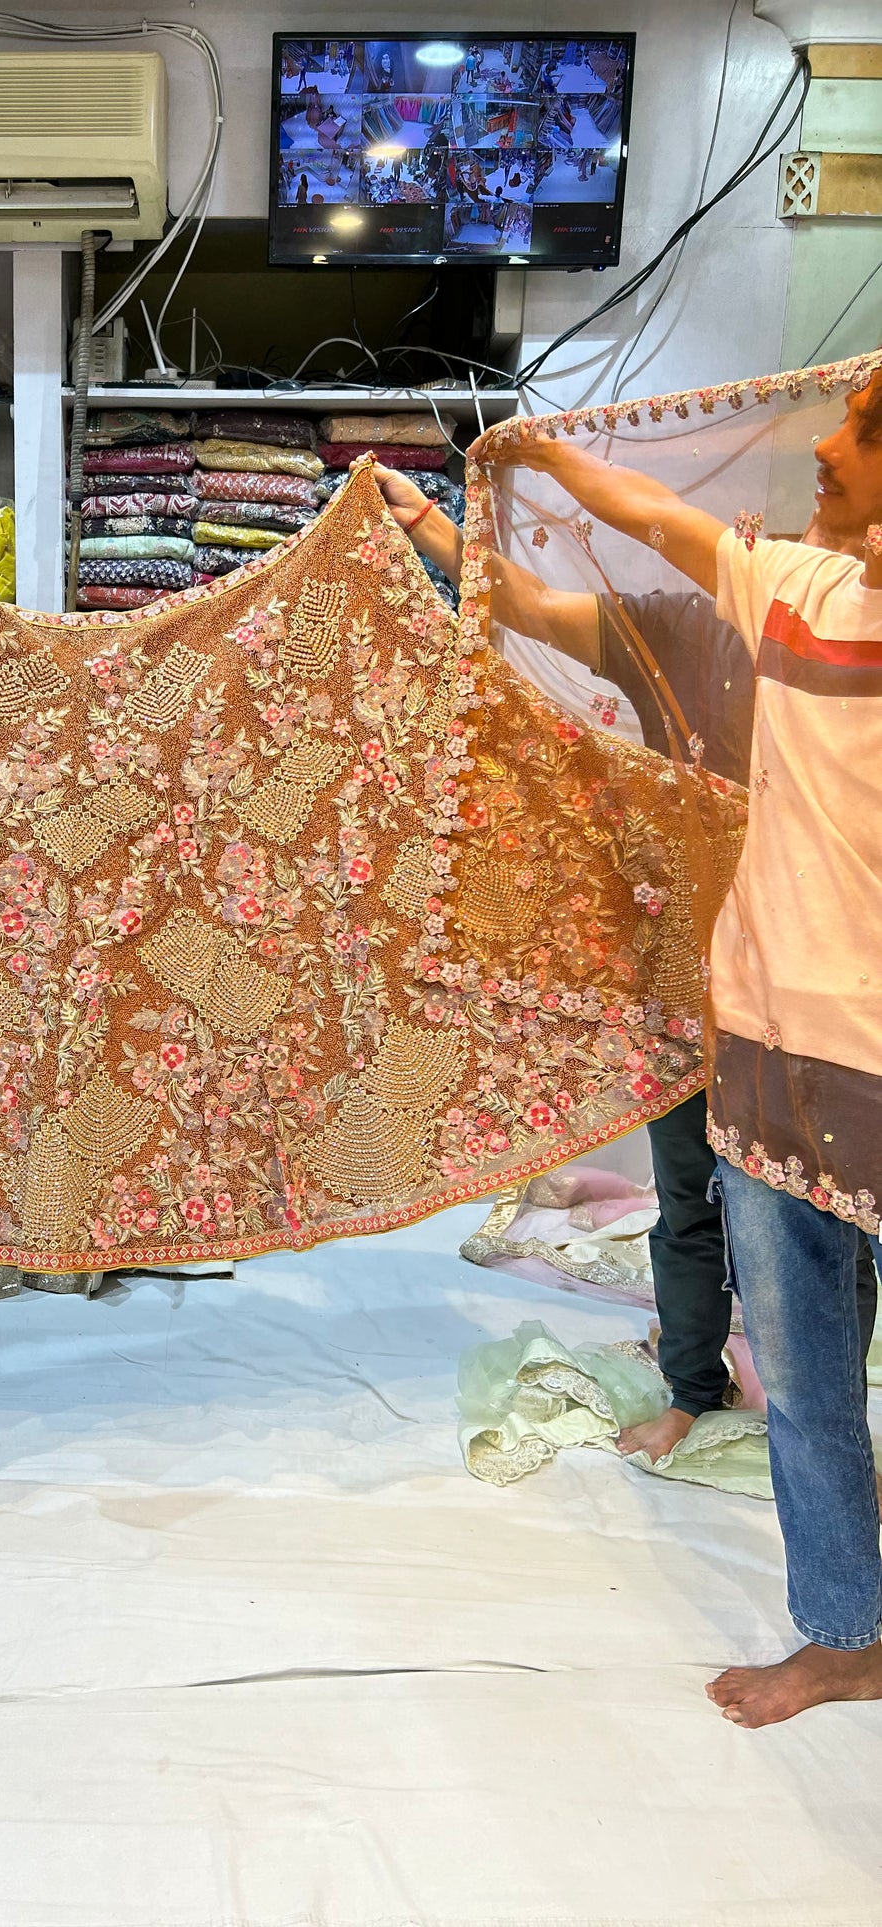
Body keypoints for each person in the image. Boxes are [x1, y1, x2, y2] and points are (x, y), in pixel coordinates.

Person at [482, 369, 882, 1728]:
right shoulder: (800, 600)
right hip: (770, 1058)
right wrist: (537, 453)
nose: (823, 448)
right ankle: (844, 1630)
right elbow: (641, 507)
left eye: (861, 432)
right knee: (811, 1383)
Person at [375, 403, 879, 1471]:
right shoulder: (684, 627)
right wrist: (429, 524)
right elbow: (535, 608)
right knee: (689, 1195)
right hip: (698, 963)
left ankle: (815, 1411)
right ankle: (696, 1386)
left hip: (831, 996)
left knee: (831, 1217)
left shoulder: (848, 645)